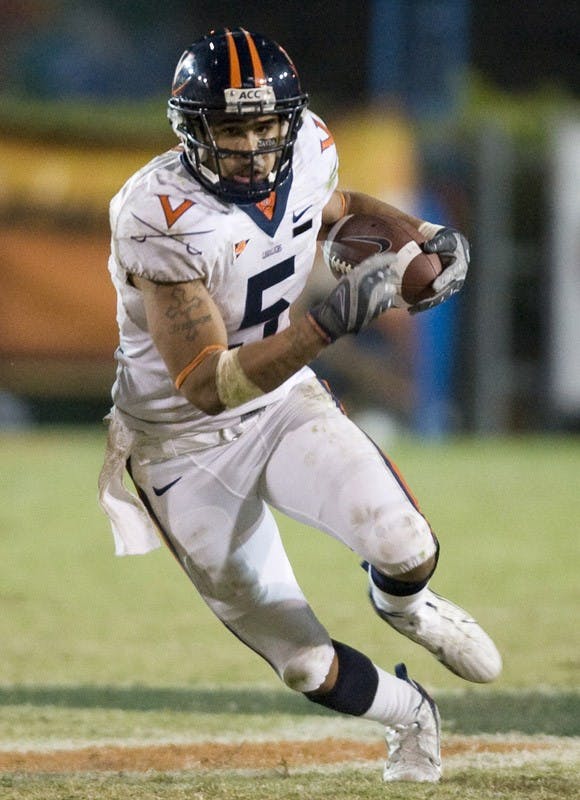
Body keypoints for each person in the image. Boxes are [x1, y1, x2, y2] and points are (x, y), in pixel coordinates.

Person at [98, 28, 501, 783]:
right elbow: (207, 383)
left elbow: (335, 205)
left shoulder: (311, 146)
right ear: (191, 131)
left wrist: (419, 240)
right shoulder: (159, 214)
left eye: (264, 126)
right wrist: (327, 322)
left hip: (280, 402)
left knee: (407, 546)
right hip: (180, 442)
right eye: (231, 128)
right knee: (304, 664)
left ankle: (405, 606)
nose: (252, 146)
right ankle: (409, 712)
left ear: (291, 121)